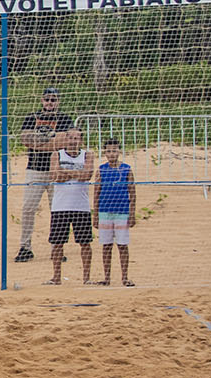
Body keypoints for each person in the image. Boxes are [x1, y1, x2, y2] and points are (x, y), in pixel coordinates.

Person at [16, 87, 74, 262]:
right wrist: (52, 141)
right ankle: (25, 247)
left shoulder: (64, 119)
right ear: (42, 100)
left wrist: (38, 142)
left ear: (58, 101)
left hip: (57, 170)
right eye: (47, 99)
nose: (50, 102)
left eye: (53, 99)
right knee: (28, 208)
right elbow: (25, 140)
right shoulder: (31, 117)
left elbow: (65, 142)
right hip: (35, 169)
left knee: (57, 210)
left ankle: (57, 247)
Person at [47, 127, 93, 286]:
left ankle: (86, 278)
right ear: (66, 139)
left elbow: (87, 175)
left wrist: (66, 172)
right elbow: (56, 176)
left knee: (85, 243)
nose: (73, 141)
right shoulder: (56, 154)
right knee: (58, 243)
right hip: (60, 206)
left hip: (81, 206)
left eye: (77, 138)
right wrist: (75, 173)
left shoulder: (87, 155)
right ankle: (56, 277)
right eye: (71, 138)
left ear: (81, 140)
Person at [92, 137, 136, 287]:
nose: (112, 154)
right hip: (105, 212)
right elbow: (96, 192)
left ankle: (125, 277)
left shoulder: (126, 169)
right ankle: (107, 277)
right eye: (109, 151)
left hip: (122, 212)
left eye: (115, 150)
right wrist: (95, 215)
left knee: (122, 245)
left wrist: (132, 213)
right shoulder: (101, 170)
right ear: (105, 153)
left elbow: (132, 192)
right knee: (106, 245)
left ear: (119, 151)